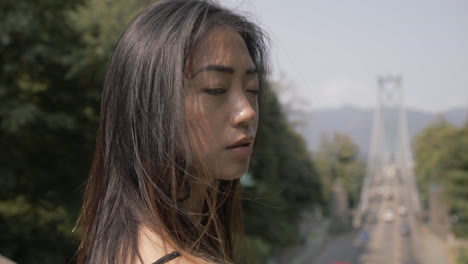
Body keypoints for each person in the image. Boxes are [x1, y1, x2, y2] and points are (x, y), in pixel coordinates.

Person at [76, 0, 269, 263]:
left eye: (252, 89)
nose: (248, 111)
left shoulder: (118, 246)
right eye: (216, 89)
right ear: (152, 104)